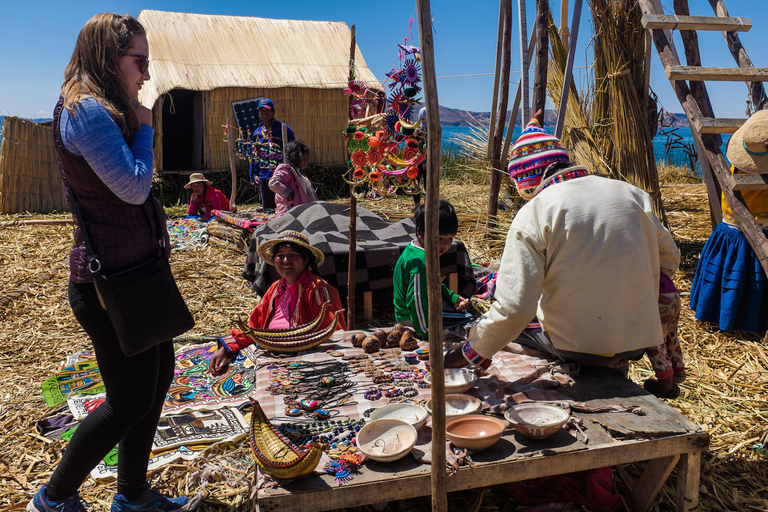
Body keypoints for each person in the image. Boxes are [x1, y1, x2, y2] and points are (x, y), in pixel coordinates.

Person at [30, 13, 189, 512]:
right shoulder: (85, 112)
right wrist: (146, 130)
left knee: (157, 380)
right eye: (138, 62)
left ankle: (134, 494)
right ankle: (53, 500)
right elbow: (132, 186)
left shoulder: (102, 109)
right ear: (107, 57)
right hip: (109, 285)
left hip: (137, 273)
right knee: (129, 400)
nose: (145, 74)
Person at [444, 115, 680, 372]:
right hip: (637, 341)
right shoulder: (632, 194)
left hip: (575, 344)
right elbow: (669, 260)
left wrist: (471, 352)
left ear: (526, 184)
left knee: (519, 327)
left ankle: (587, 359)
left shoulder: (536, 211)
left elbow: (514, 310)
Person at [209, 231, 346, 375]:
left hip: (301, 360)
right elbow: (253, 328)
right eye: (280, 255)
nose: (285, 260)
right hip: (267, 351)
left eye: (293, 255)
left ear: (306, 260)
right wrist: (225, 348)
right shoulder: (275, 288)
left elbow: (334, 334)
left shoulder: (318, 289)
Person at [689, 110, 768, 333]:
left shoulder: (738, 160)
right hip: (745, 235)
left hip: (729, 232)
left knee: (729, 279)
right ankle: (745, 321)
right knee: (749, 281)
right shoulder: (752, 167)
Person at [393, 199, 471, 340]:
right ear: (420, 232)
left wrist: (451, 296)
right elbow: (416, 300)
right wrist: (428, 332)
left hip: (420, 312)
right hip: (413, 319)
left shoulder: (415, 250)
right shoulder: (420, 261)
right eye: (439, 238)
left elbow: (430, 284)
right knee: (469, 321)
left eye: (450, 238)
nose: (446, 244)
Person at [643, 274, 686, 398]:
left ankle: (666, 385)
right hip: (670, 291)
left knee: (654, 341)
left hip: (656, 296)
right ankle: (679, 371)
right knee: (671, 335)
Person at [248, 98, 295, 211]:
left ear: (273, 112)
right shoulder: (257, 133)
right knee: (268, 209)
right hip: (264, 176)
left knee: (285, 207)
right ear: (259, 113)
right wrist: (254, 174)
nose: (265, 113)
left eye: (268, 110)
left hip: (281, 176)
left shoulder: (283, 129)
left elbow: (293, 151)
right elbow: (254, 156)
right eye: (262, 110)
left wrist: (295, 172)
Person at [268, 140, 318, 218]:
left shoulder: (298, 174)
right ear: (295, 157)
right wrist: (288, 192)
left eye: (306, 159)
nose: (305, 162)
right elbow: (273, 183)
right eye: (303, 158)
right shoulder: (286, 171)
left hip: (299, 215)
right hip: (288, 215)